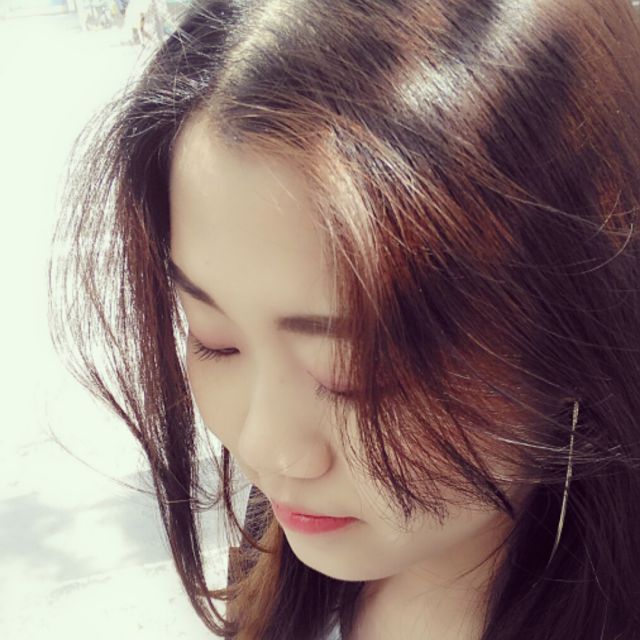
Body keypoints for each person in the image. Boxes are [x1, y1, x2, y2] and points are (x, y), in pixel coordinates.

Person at [48, 0, 640, 638]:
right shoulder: (281, 550)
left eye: (355, 366)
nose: (262, 448)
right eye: (215, 339)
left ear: (582, 311)